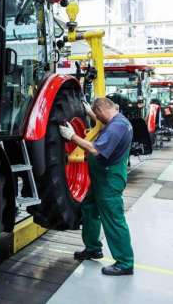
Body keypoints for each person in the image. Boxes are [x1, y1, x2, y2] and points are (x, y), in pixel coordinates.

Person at [59, 97, 135, 276]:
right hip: (102, 178)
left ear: (102, 110)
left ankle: (125, 262)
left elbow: (95, 150)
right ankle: (93, 248)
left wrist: (72, 136)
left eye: (97, 114)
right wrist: (90, 112)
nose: (97, 119)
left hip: (110, 180)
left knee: (113, 219)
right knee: (90, 209)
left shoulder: (117, 127)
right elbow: (102, 120)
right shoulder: (118, 120)